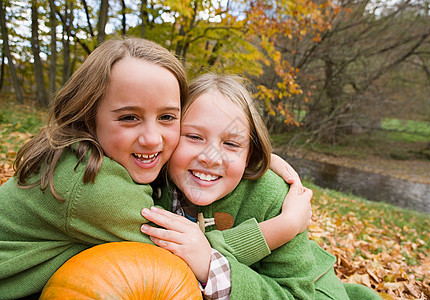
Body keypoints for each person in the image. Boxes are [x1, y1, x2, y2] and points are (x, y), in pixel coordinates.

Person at [0, 38, 310, 299]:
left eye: (166, 118)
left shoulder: (89, 154)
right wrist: (284, 226)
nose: (151, 139)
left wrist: (256, 155)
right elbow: (185, 252)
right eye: (129, 117)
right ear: (87, 116)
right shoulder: (92, 186)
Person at [140, 73, 382, 299]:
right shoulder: (151, 177)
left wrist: (212, 266)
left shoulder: (274, 197)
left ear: (249, 154)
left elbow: (296, 294)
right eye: (193, 137)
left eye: (232, 144)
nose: (211, 157)